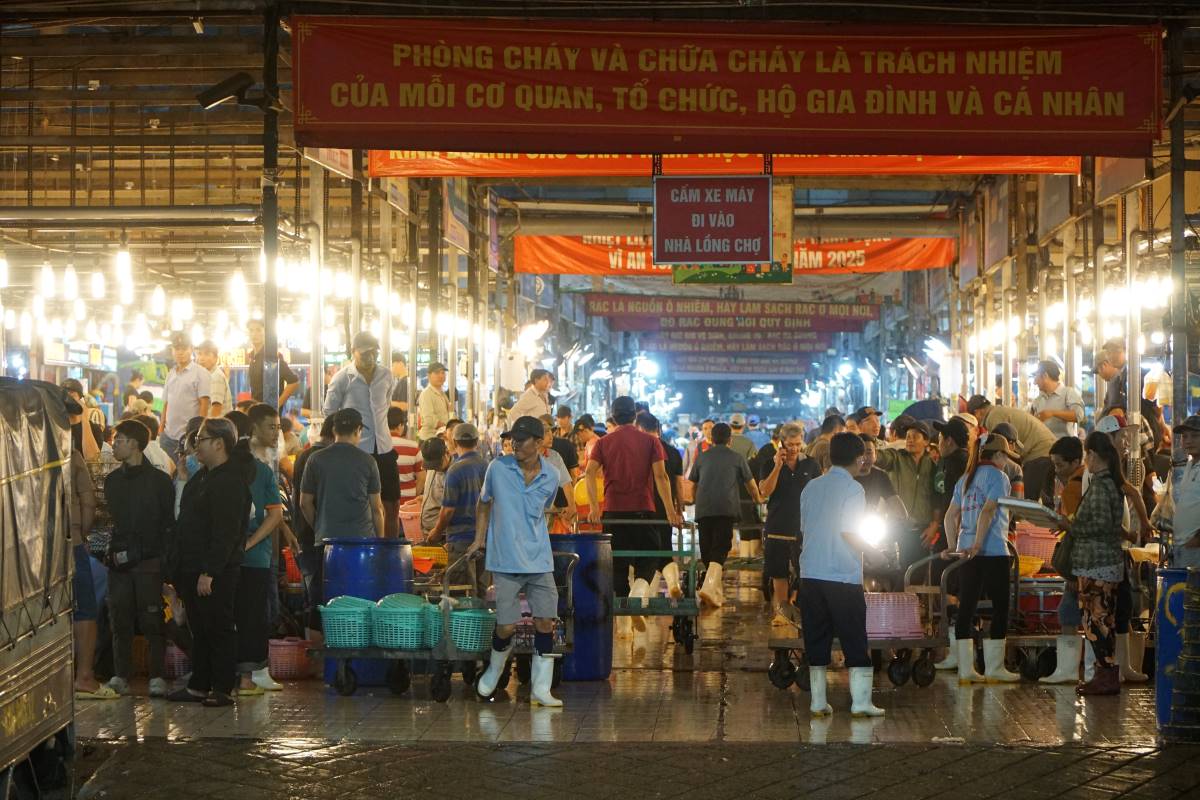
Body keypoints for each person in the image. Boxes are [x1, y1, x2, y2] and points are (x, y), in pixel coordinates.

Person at [471, 416, 565, 707]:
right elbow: (484, 502)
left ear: (538, 443)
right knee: (506, 626)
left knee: (546, 621)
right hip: (504, 559)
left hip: (540, 559)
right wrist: (479, 538)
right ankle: (494, 669)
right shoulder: (497, 468)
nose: (514, 445)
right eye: (511, 439)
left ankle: (541, 687)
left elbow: (544, 510)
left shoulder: (551, 476)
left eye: (521, 440)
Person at [798, 432, 886, 718]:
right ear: (860, 458)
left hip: (810, 572)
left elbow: (805, 528)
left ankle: (818, 702)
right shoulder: (854, 490)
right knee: (853, 637)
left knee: (816, 637)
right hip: (842, 575)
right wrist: (875, 553)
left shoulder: (811, 487)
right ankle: (860, 703)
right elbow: (849, 532)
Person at [169, 417, 251, 707]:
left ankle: (222, 687)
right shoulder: (202, 477)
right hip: (191, 568)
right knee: (199, 629)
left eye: (201, 440)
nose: (195, 446)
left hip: (215, 572)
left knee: (218, 627)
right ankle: (198, 685)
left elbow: (225, 533)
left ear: (219, 443)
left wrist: (210, 571)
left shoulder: (230, 481)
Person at [586, 396, 680, 634]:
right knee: (651, 554)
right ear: (634, 415)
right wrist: (670, 510)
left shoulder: (603, 443)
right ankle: (638, 593)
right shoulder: (650, 442)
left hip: (612, 512)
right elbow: (661, 477)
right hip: (642, 509)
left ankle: (623, 624)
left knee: (617, 563)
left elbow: (589, 473)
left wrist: (594, 508)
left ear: (613, 416)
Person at [941, 433, 1022, 685]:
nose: (1006, 462)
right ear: (997, 456)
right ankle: (995, 669)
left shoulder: (965, 478)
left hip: (966, 552)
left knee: (967, 606)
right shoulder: (999, 476)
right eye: (1005, 456)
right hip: (993, 549)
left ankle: (966, 671)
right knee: (1000, 606)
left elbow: (949, 517)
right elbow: (988, 510)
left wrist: (955, 546)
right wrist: (979, 542)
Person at [103, 419, 176, 698]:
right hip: (120, 562)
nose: (114, 445)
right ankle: (122, 675)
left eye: (118, 440)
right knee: (119, 617)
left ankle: (157, 675)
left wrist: (164, 560)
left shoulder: (159, 481)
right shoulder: (112, 481)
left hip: (150, 561)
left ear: (134, 444)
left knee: (152, 618)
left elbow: (168, 523)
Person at [1060, 432, 1129, 696]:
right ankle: (1105, 674)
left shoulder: (1101, 486)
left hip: (1096, 565)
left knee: (1096, 621)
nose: (1085, 459)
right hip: (1101, 564)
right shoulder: (1109, 483)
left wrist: (1071, 526)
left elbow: (1100, 525)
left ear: (1092, 455)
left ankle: (1106, 675)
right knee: (1101, 620)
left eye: (1087, 454)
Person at [323, 332, 398, 539]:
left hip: (384, 447)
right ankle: (366, 546)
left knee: (391, 504)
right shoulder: (342, 379)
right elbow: (329, 413)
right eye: (365, 353)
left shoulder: (386, 375)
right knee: (363, 505)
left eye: (374, 352)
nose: (370, 357)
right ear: (353, 352)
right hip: (357, 451)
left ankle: (388, 549)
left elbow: (386, 404)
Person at [234, 405, 287, 696]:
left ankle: (249, 673)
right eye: (271, 427)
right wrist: (250, 544)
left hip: (244, 554)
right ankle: (253, 673)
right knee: (254, 615)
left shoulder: (262, 464)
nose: (276, 432)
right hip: (252, 556)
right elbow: (274, 515)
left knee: (244, 615)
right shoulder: (258, 468)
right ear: (253, 428)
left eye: (278, 427)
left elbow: (275, 515)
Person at [688, 422, 762, 609]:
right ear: (730, 439)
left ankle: (716, 594)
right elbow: (751, 484)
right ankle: (709, 587)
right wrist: (758, 499)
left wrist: (691, 500)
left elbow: (693, 485)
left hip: (704, 509)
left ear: (711, 439)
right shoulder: (737, 458)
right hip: (725, 508)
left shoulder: (702, 457)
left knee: (707, 550)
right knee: (720, 549)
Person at [759, 422, 821, 625]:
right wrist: (778, 466)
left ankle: (795, 605)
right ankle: (782, 610)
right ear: (781, 444)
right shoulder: (769, 464)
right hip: (777, 526)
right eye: (790, 444)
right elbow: (764, 491)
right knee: (778, 571)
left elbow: (820, 493)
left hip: (804, 527)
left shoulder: (811, 465)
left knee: (804, 569)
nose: (794, 448)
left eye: (797, 443)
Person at [1041, 435, 1088, 685]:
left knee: (1068, 614)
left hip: (1078, 563)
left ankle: (1068, 671)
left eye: (1060, 465)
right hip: (1091, 562)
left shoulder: (1073, 487)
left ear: (1076, 461)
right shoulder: (1090, 479)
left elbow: (1076, 528)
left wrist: (1072, 573)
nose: (1056, 471)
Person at [69, 444, 113, 700]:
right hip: (69, 542)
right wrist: (81, 533)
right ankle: (84, 676)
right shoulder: (70, 455)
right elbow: (88, 502)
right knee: (84, 609)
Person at [427, 423, 491, 597]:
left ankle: (463, 625)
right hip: (484, 539)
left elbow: (448, 510)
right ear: (476, 441)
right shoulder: (486, 466)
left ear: (454, 442)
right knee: (481, 592)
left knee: (460, 593)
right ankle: (482, 624)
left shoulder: (455, 470)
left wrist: (436, 532)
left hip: (461, 540)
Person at [300, 408, 385, 540]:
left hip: (327, 539)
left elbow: (305, 503)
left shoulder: (315, 459)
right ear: (358, 430)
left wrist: (319, 529)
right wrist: (380, 540)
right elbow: (377, 508)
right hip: (361, 539)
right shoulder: (368, 461)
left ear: (334, 430)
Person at [966, 394, 1057, 506]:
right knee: (1047, 501)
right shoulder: (999, 411)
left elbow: (1001, 450)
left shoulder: (992, 417)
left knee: (1028, 502)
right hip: (1049, 448)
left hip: (1038, 451)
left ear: (978, 412)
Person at [872, 420, 938, 570]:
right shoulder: (896, 458)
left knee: (916, 574)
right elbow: (882, 458)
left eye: (915, 436)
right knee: (893, 570)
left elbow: (936, 497)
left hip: (921, 530)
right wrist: (871, 451)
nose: (910, 440)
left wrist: (934, 524)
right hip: (896, 526)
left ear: (926, 441)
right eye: (908, 436)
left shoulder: (933, 465)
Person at [635, 411, 685, 600]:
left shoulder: (640, 450)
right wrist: (679, 509)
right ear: (658, 428)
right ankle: (672, 584)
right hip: (665, 509)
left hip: (643, 507)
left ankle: (644, 598)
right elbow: (678, 484)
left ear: (640, 428)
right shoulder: (672, 451)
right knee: (664, 548)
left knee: (645, 554)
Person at [1151, 414, 1200, 570]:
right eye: (1185, 437)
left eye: (1195, 436)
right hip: (1183, 546)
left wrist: (1198, 539)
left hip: (1195, 547)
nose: (1189, 440)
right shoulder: (1190, 465)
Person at [162, 331, 211, 462]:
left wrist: (198, 434)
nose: (180, 352)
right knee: (168, 475)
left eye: (184, 348)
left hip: (189, 437)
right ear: (172, 351)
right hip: (168, 436)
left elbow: (204, 405)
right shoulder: (170, 374)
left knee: (189, 474)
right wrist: (161, 431)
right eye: (177, 349)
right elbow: (166, 404)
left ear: (191, 349)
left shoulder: (201, 373)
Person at [247, 318, 299, 409]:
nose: (254, 334)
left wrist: (277, 404)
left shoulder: (271, 355)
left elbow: (294, 381)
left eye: (258, 330)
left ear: (265, 333)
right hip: (255, 411)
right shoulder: (252, 357)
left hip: (269, 415)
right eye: (251, 330)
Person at [855, 434, 907, 520]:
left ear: (875, 454)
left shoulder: (881, 476)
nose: (864, 458)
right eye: (859, 453)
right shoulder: (844, 476)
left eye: (868, 453)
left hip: (869, 523)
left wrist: (901, 514)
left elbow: (894, 500)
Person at [1031, 359, 1085, 438]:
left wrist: (1053, 413)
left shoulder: (1068, 393)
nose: (1034, 382)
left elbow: (1078, 415)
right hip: (1043, 447)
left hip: (1063, 447)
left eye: (1036, 377)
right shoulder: (1038, 400)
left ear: (1045, 376)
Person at [388, 407, 421, 537]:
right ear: (401, 425)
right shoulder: (413, 446)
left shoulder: (377, 446)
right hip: (408, 509)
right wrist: (413, 494)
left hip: (385, 506)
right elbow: (422, 478)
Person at [419, 437, 450, 537]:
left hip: (442, 535)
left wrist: (437, 531)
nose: (434, 469)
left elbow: (450, 510)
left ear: (447, 453)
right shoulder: (431, 468)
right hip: (427, 532)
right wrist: (424, 498)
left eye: (436, 465)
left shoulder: (453, 474)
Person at [417, 361, 452, 441]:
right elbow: (429, 419)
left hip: (441, 438)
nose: (441, 376)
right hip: (430, 440)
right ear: (429, 376)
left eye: (443, 373)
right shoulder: (426, 394)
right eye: (437, 373)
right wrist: (447, 427)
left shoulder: (442, 393)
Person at [196, 341, 232, 417]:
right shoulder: (207, 376)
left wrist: (208, 427)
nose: (202, 358)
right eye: (199, 354)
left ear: (216, 358)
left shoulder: (216, 377)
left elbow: (216, 407)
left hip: (217, 426)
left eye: (206, 354)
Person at [1095, 338, 1128, 413]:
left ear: (1126, 351)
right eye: (1109, 353)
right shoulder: (1117, 379)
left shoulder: (1133, 375)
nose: (1112, 356)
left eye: (1117, 351)